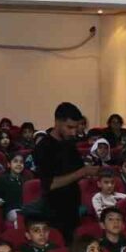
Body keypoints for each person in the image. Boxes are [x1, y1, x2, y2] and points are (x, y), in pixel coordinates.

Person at [35, 102, 95, 240]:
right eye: (69, 127)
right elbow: (49, 184)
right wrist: (83, 172)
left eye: (76, 127)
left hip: (72, 207)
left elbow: (78, 170)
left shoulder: (69, 143)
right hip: (54, 212)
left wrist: (91, 172)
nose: (74, 132)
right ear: (57, 122)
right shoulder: (44, 147)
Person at [0, 151, 30, 229]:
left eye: (21, 162)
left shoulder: (26, 179)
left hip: (26, 208)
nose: (19, 164)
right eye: (15, 161)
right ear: (9, 164)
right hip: (12, 210)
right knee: (21, 218)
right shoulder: (3, 179)